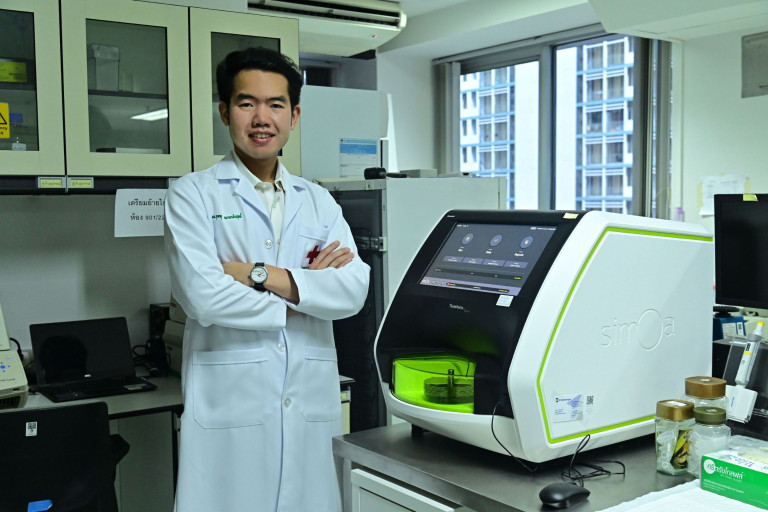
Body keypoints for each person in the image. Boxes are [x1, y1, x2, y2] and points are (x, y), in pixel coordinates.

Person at [164, 47, 370, 512]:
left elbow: (353, 290)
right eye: (246, 103)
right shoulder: (192, 195)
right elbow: (203, 297)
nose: (262, 118)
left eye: (276, 104)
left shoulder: (318, 201)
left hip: (309, 408)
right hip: (230, 411)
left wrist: (257, 274)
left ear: (293, 116)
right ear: (225, 112)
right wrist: (307, 292)